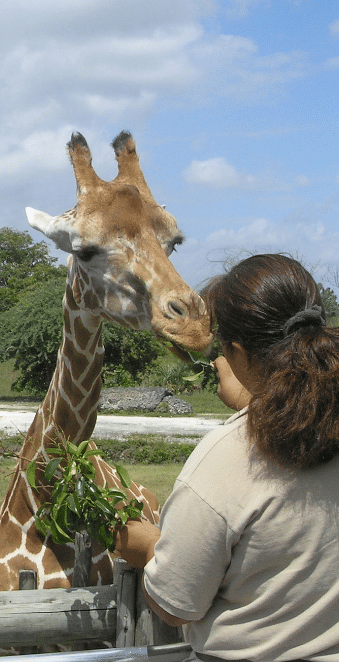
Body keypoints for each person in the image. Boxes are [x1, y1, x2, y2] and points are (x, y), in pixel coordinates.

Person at [115, 254, 339, 661]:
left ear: (236, 351)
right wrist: (251, 404)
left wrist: (149, 546)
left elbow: (174, 605)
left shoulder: (227, 459)